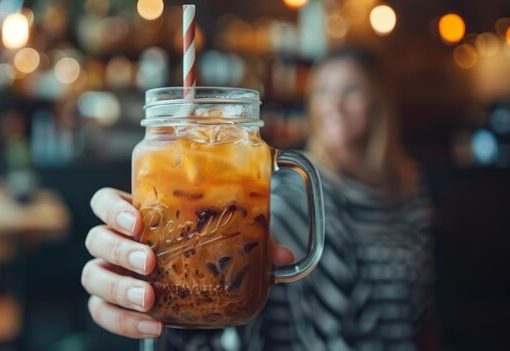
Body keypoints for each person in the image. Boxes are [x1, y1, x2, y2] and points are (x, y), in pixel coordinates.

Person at [81, 46, 435, 350]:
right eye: (324, 91)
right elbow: (230, 280)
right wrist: (166, 320)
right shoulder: (289, 195)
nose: (334, 105)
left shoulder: (411, 191)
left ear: (379, 101)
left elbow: (424, 309)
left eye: (351, 90)